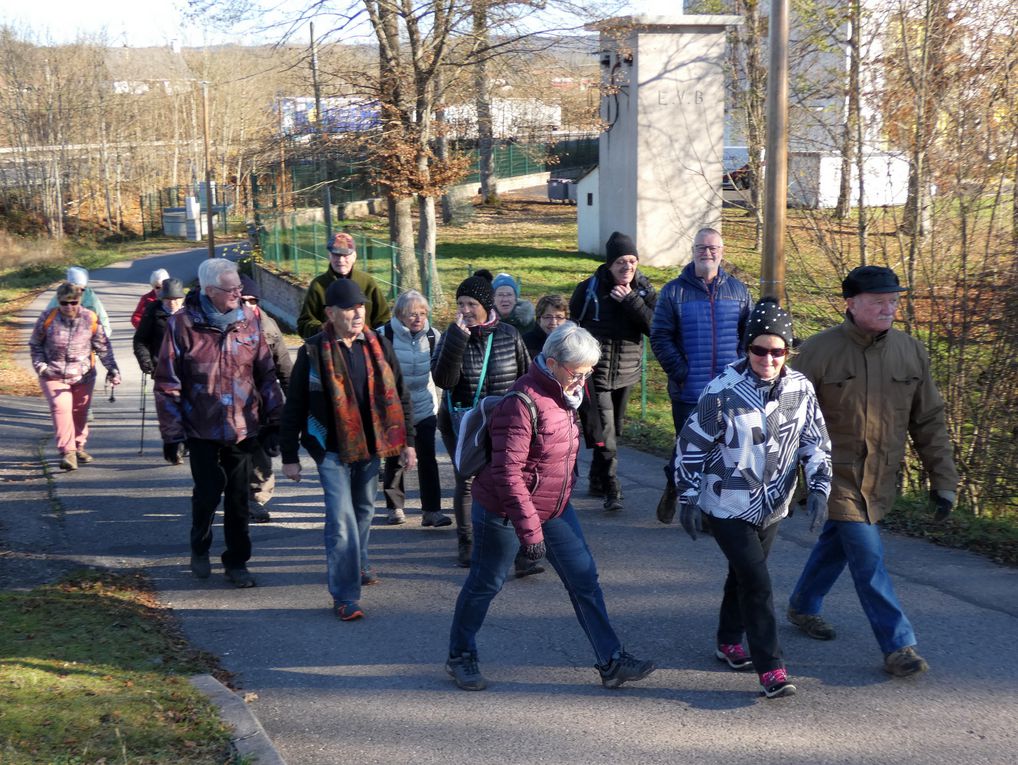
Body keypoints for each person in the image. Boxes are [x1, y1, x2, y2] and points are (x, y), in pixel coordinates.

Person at [445, 323, 656, 691]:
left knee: (584, 580)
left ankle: (611, 661)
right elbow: (509, 474)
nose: (583, 380)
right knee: (486, 583)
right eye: (578, 372)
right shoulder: (521, 402)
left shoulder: (565, 394)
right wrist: (530, 533)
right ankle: (460, 655)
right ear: (554, 363)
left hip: (554, 509)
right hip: (504, 512)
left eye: (588, 372)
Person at [786, 265, 959, 678]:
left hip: (881, 477)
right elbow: (787, 418)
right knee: (868, 557)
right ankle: (898, 645)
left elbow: (929, 421)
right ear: (850, 303)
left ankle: (803, 605)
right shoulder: (818, 351)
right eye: (879, 301)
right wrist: (788, 481)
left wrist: (944, 481)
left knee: (837, 542)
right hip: (833, 476)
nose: (889, 308)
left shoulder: (910, 351)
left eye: (894, 300)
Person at [674, 299, 832, 699]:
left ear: (788, 352)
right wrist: (688, 497)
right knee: (758, 582)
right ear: (746, 349)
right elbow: (691, 444)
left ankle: (727, 640)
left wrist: (819, 488)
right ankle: (772, 669)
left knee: (744, 575)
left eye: (777, 350)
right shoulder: (722, 391)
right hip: (727, 502)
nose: (768, 358)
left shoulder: (800, 388)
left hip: (774, 504)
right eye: (759, 349)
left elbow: (815, 442)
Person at [280, 279, 417, 620]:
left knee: (363, 513)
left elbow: (401, 395)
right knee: (341, 522)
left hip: (371, 449)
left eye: (360, 307)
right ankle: (345, 596)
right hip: (331, 450)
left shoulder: (378, 345)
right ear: (330, 313)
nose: (357, 314)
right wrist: (289, 456)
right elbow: (295, 404)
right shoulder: (313, 350)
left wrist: (408, 442)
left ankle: (358, 563)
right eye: (348, 309)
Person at [154, 258, 284, 589]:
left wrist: (274, 421)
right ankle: (200, 547)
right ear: (210, 290)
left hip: (242, 426)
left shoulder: (250, 320)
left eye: (240, 288)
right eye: (232, 289)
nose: (239, 295)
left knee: (240, 498)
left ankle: (237, 562)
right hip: (201, 427)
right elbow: (168, 382)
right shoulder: (182, 325)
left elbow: (265, 373)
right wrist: (172, 434)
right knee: (209, 493)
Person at [651, 227, 751, 524]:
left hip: (728, 390)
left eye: (713, 248)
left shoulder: (739, 291)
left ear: (722, 251)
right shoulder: (673, 292)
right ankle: (676, 485)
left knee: (719, 450)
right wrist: (681, 371)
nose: (707, 253)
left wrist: (742, 372)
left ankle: (708, 512)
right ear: (693, 250)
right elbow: (660, 336)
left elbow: (749, 335)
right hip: (689, 389)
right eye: (701, 248)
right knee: (689, 448)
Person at [431, 271, 531, 569]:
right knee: (466, 481)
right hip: (462, 422)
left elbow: (526, 377)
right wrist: (457, 341)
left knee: (511, 481)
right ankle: (467, 542)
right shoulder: (452, 335)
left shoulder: (509, 335)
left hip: (502, 422)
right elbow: (443, 379)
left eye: (470, 304)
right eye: (460, 303)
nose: (464, 310)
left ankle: (520, 546)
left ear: (486, 305)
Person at [569, 231, 657, 511]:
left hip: (627, 372)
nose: (628, 267)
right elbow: (574, 326)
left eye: (632, 261)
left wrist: (631, 301)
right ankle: (611, 488)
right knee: (604, 432)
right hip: (594, 375)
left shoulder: (643, 289)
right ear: (609, 264)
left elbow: (655, 328)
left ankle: (596, 479)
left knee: (612, 431)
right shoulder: (588, 289)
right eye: (621, 261)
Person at [376, 290, 451, 528]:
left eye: (422, 313)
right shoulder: (383, 335)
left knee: (428, 458)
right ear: (399, 315)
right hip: (392, 408)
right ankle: (395, 508)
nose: (418, 318)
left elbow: (441, 368)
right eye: (412, 314)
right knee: (394, 459)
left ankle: (432, 511)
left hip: (424, 405)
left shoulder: (433, 336)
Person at [30, 281, 121, 471]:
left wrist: (112, 369)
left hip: (83, 375)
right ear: (58, 302)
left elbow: (103, 347)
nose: (69, 307)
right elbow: (35, 344)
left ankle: (79, 446)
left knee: (80, 413)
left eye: (73, 302)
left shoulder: (90, 318)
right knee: (60, 408)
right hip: (53, 374)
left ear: (79, 300)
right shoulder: (48, 318)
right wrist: (41, 366)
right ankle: (67, 452)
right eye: (64, 303)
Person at [240, 276, 293, 523]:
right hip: (235, 403)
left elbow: (284, 367)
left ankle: (257, 497)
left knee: (262, 456)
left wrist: (293, 404)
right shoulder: (228, 326)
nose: (248, 304)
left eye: (252, 300)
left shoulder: (269, 326)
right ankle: (246, 498)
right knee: (242, 452)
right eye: (243, 300)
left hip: (264, 402)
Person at [297, 231, 391, 338]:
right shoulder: (318, 285)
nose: (340, 260)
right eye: (336, 255)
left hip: (364, 346)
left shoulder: (367, 283)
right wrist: (325, 330)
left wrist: (371, 338)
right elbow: (304, 324)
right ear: (329, 256)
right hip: (329, 348)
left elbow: (384, 320)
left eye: (345, 255)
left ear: (354, 256)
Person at [133, 278, 185, 376]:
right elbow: (140, 339)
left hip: (187, 371)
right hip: (161, 369)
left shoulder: (191, 314)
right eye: (168, 299)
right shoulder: (153, 312)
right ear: (162, 299)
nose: (172, 303)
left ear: (182, 299)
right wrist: (145, 359)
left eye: (176, 299)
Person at [47, 266, 112, 339]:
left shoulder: (91, 298)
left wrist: (104, 336)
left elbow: (102, 317)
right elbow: (47, 318)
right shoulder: (60, 296)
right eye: (74, 289)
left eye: (82, 289)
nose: (78, 292)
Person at [522, 294, 569, 358]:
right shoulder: (526, 342)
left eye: (559, 317)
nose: (553, 322)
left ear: (566, 319)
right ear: (539, 319)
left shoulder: (572, 342)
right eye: (548, 317)